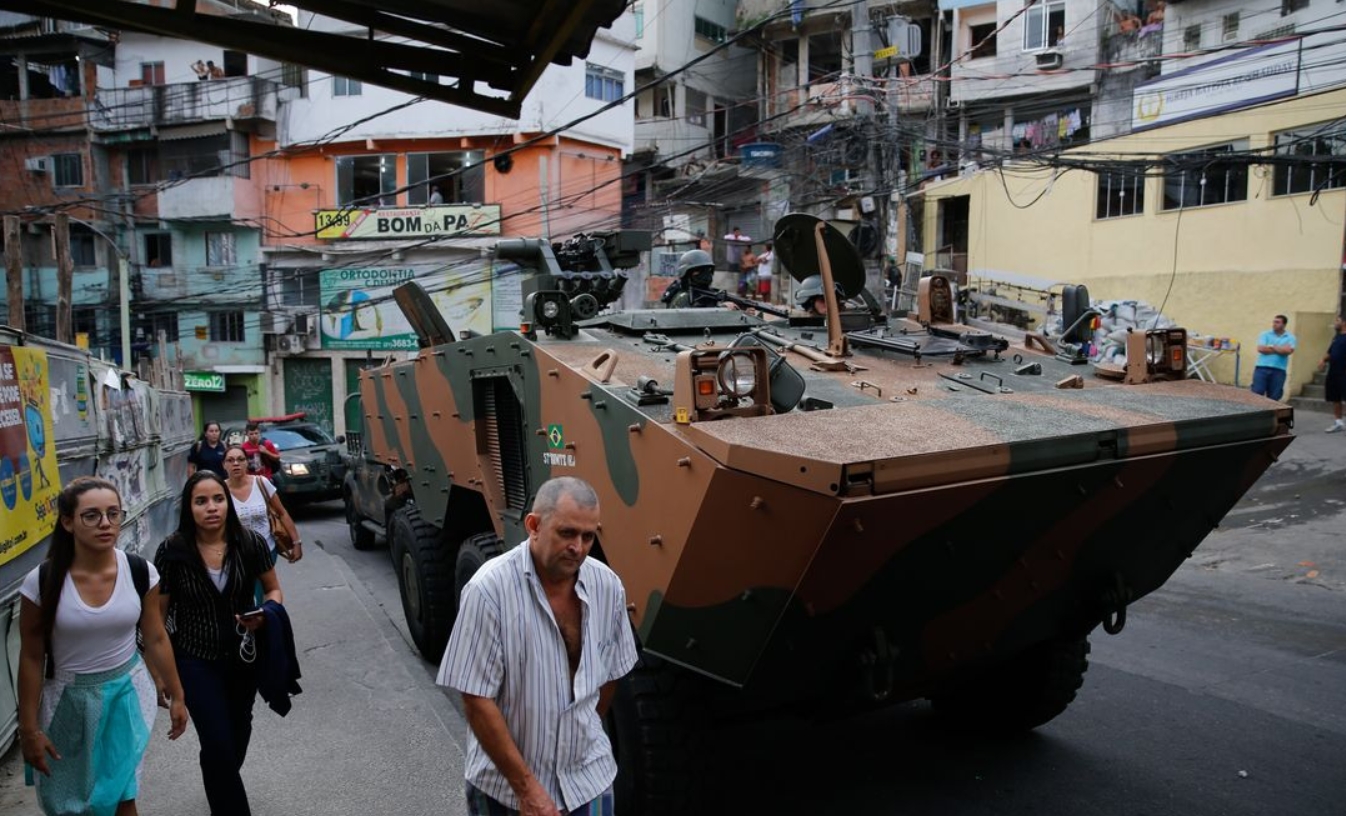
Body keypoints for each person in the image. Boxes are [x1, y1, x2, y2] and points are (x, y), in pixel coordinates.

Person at [437, 477, 638, 816]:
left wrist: (578, 733)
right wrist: (527, 789)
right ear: (534, 525)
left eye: (588, 536)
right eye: (567, 533)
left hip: (589, 781)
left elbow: (612, 674)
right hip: (507, 793)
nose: (579, 547)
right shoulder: (489, 591)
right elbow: (475, 698)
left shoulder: (608, 587)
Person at [17, 477, 189, 816]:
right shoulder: (41, 582)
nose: (106, 523)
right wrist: (28, 728)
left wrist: (178, 695)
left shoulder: (141, 572)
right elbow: (32, 655)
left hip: (125, 694)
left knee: (122, 795)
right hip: (66, 701)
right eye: (91, 516)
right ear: (68, 522)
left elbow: (155, 637)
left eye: (113, 513)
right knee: (69, 804)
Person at [154, 471, 282, 816]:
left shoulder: (250, 543)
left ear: (228, 502)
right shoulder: (172, 551)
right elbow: (158, 617)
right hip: (195, 660)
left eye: (218, 499)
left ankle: (218, 777)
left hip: (244, 657)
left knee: (235, 738)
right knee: (218, 744)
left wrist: (267, 612)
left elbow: (273, 589)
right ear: (189, 508)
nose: (211, 507)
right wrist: (160, 673)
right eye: (201, 501)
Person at [224, 445, 302, 565]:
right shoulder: (220, 490)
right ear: (223, 465)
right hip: (237, 555)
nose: (236, 463)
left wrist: (296, 542)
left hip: (267, 550)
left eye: (241, 459)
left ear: (247, 463)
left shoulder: (261, 483)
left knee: (266, 584)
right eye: (230, 460)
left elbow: (282, 513)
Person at [1251, 314, 1296, 402]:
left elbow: (1289, 351)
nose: (1274, 324)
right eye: (1274, 322)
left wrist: (1271, 346)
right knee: (1257, 392)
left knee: (1274, 396)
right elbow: (1261, 349)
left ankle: (1270, 415)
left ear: (1284, 324)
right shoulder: (1265, 334)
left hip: (1279, 370)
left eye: (1277, 322)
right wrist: (1281, 349)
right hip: (1262, 368)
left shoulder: (1291, 337)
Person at [1320, 315, 1346, 432]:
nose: (1335, 323)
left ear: (1344, 323)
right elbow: (1331, 352)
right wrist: (1323, 360)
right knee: (1335, 398)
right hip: (1334, 372)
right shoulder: (1337, 337)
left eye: (1338, 321)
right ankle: (1338, 423)